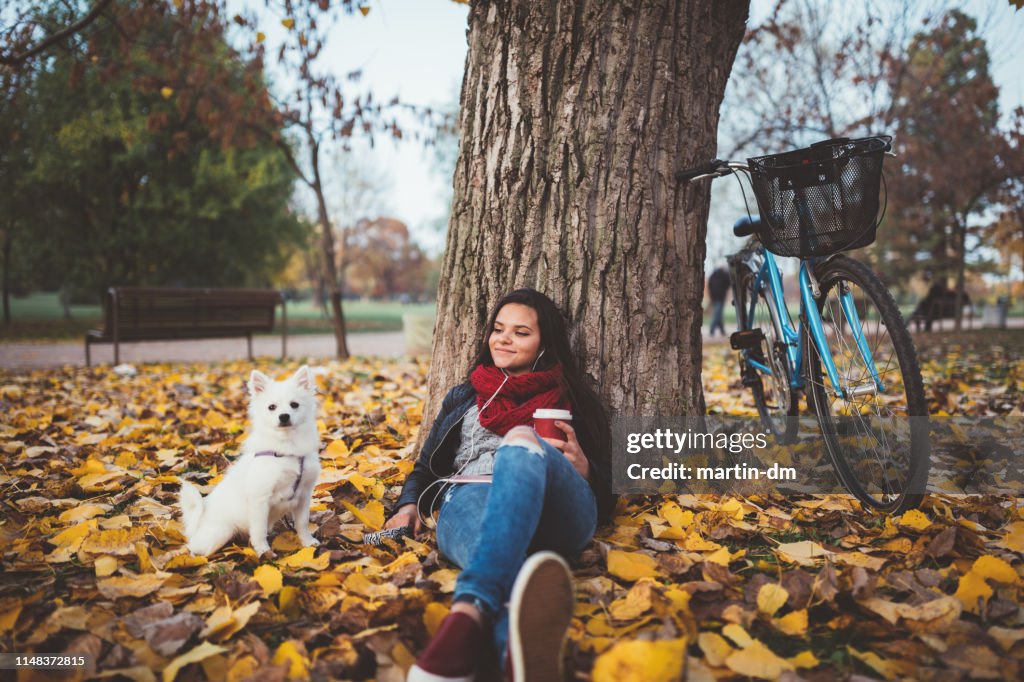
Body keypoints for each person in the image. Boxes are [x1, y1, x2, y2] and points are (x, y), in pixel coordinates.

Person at [387, 288, 615, 682]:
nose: (503, 339)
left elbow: (609, 499)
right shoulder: (463, 396)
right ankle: (514, 655)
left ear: (545, 343)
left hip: (556, 502)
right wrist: (407, 505)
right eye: (498, 329)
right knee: (512, 559)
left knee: (522, 439)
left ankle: (467, 614)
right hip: (472, 498)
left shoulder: (575, 399)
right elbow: (426, 466)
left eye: (521, 332)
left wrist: (585, 470)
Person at [707, 266, 731, 337]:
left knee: (719, 313)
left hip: (714, 296)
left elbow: (709, 285)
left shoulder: (713, 274)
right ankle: (712, 329)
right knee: (717, 314)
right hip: (720, 296)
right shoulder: (724, 274)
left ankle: (722, 331)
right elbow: (728, 283)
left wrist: (711, 295)